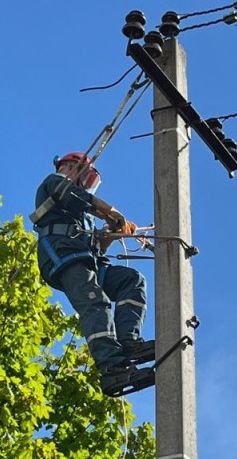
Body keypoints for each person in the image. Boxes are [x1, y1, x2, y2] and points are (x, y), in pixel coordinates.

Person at [31, 152, 155, 396]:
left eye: (90, 182)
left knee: (132, 281)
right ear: (69, 167)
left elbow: (97, 246)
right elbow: (78, 198)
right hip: (62, 254)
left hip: (86, 258)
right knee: (95, 302)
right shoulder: (54, 182)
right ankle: (112, 367)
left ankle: (128, 342)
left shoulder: (83, 218)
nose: (87, 185)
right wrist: (112, 212)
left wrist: (110, 233)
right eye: (86, 178)